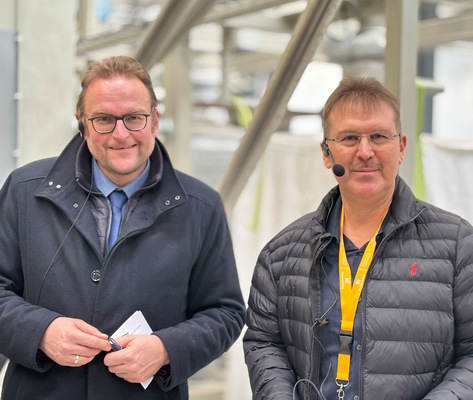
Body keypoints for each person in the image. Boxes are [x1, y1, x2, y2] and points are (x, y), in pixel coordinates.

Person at [0, 55, 245, 399]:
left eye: (134, 118)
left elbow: (226, 312)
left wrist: (165, 349)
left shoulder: (201, 208)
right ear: (82, 124)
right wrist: (41, 331)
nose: (120, 134)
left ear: (155, 121)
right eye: (103, 119)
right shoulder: (25, 192)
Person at [243, 76, 473, 399]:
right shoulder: (280, 256)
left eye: (378, 136)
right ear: (326, 153)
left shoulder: (458, 246)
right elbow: (264, 341)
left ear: (401, 147)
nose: (365, 152)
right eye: (349, 138)